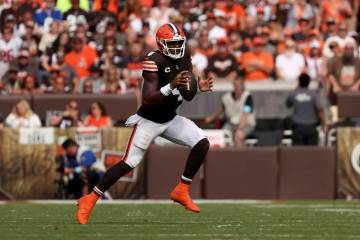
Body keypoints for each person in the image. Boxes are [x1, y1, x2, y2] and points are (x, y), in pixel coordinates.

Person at [76, 23, 213, 224]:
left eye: (178, 43)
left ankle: (181, 190)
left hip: (170, 118)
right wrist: (171, 85)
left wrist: (197, 88)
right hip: (149, 120)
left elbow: (187, 94)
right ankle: (89, 199)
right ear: (161, 43)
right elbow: (148, 99)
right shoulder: (153, 60)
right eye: (171, 44)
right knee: (128, 163)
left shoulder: (184, 56)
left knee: (202, 143)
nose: (176, 48)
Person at [204, 79, 254, 148]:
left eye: (239, 85)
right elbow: (221, 110)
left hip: (246, 124)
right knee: (223, 136)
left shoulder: (247, 97)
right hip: (230, 124)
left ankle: (241, 156)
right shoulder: (227, 97)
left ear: (242, 86)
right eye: (235, 85)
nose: (237, 87)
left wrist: (239, 128)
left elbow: (245, 114)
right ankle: (226, 156)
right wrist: (208, 119)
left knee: (238, 135)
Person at [286, 73, 324, 145]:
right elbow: (320, 109)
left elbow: (288, 104)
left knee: (298, 152)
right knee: (312, 152)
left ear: (299, 82)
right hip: (311, 126)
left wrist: (296, 89)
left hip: (298, 127)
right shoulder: (313, 94)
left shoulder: (294, 93)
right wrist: (323, 124)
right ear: (309, 82)